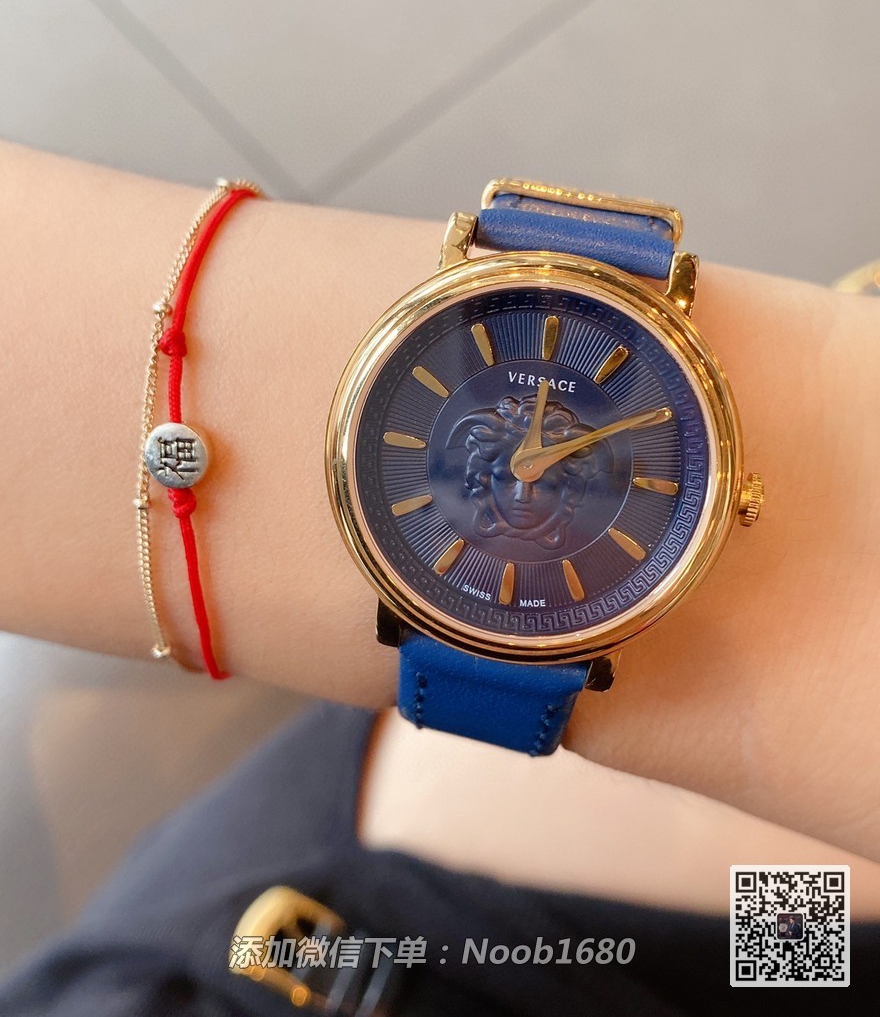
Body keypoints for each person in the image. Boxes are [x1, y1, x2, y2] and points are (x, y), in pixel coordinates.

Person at [0, 140, 879, 1013]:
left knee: (799, 949)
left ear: (737, 496)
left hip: (364, 926)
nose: (527, 472)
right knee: (810, 962)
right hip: (666, 914)